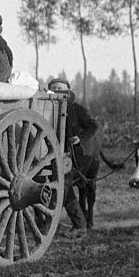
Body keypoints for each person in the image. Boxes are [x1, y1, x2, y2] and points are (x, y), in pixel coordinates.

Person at [48, 77, 100, 232]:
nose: (58, 91)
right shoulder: (46, 107)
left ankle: (49, 225)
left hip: (71, 156)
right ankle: (79, 223)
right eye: (54, 88)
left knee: (63, 187)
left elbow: (93, 126)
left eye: (61, 89)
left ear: (68, 91)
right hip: (49, 155)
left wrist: (80, 138)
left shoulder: (75, 109)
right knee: (65, 189)